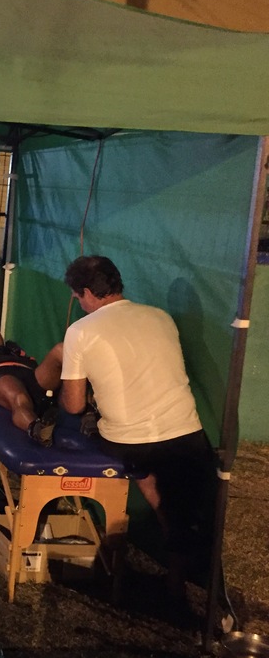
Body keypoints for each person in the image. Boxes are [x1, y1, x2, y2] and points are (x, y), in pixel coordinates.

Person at [60, 255, 216, 601]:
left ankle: (131, 554)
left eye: (78, 296)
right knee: (170, 499)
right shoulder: (161, 317)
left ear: (88, 293)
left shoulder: (80, 331)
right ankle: (178, 577)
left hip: (130, 442)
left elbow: (74, 405)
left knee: (105, 434)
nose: (79, 303)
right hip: (187, 433)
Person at [0, 326, 63, 446]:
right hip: (0, 375)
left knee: (60, 350)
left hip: (30, 375)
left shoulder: (15, 352)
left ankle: (79, 407)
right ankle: (40, 432)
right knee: (20, 397)